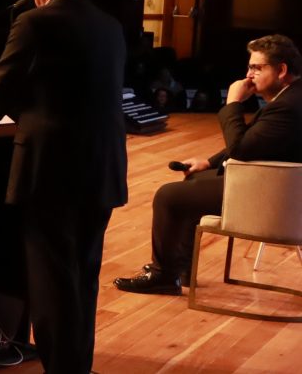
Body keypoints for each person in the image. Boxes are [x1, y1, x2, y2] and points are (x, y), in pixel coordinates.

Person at [0, 0, 127, 374]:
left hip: (51, 171)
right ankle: (77, 366)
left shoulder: (34, 22)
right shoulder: (110, 25)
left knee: (52, 280)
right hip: (103, 168)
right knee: (83, 275)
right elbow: (75, 94)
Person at [115, 35, 302, 295]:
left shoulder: (289, 107)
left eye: (256, 68)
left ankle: (163, 275)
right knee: (195, 179)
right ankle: (177, 269)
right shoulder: (292, 98)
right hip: (277, 186)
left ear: (281, 70)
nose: (248, 75)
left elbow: (241, 148)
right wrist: (208, 162)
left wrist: (233, 103)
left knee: (168, 196)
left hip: (271, 200)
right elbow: (255, 140)